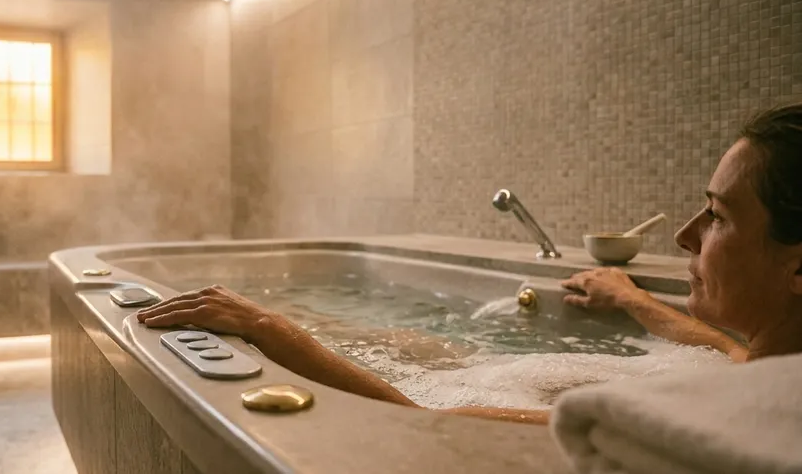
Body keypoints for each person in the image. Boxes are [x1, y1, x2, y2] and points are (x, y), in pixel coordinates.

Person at [137, 104, 802, 425]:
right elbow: (726, 352)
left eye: (717, 215)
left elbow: (425, 422)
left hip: (478, 398)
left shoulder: (710, 430)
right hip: (523, 378)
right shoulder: (770, 382)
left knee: (407, 357)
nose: (686, 236)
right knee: (414, 344)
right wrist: (631, 298)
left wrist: (276, 330)